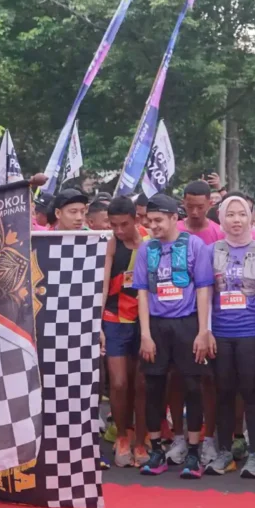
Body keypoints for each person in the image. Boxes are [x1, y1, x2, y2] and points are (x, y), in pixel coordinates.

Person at [134, 194, 214, 479]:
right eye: (149, 221)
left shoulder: (195, 245)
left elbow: (204, 288)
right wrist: (145, 334)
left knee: (193, 386)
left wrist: (203, 330)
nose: (152, 226)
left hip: (187, 323)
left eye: (158, 220)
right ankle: (156, 449)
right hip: (156, 325)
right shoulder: (146, 250)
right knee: (154, 386)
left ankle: (194, 452)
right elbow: (142, 292)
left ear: (173, 218)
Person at [207, 196, 255, 478]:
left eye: (242, 214)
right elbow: (206, 293)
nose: (236, 220)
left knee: (252, 392)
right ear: (221, 219)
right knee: (223, 393)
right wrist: (206, 330)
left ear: (251, 218)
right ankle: (225, 452)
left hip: (250, 331)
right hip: (219, 333)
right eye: (230, 214)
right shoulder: (211, 250)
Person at [102, 197, 150, 467]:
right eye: (113, 225)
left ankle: (141, 441)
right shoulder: (112, 244)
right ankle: (121, 436)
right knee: (118, 383)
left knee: (141, 384)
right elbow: (104, 283)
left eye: (124, 224)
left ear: (136, 220)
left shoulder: (149, 243)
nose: (118, 230)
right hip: (114, 318)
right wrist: (97, 325)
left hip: (143, 321)